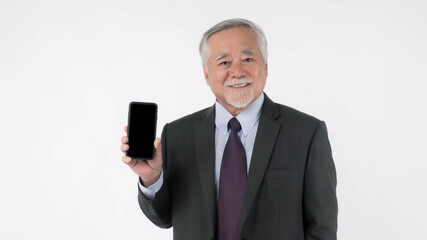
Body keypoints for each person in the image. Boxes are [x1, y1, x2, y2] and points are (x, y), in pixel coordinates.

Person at [121, 18, 338, 240]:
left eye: (248, 59)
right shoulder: (177, 135)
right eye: (224, 62)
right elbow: (164, 218)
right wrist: (152, 178)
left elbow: (322, 229)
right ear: (206, 73)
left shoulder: (307, 134)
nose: (237, 71)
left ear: (265, 66)